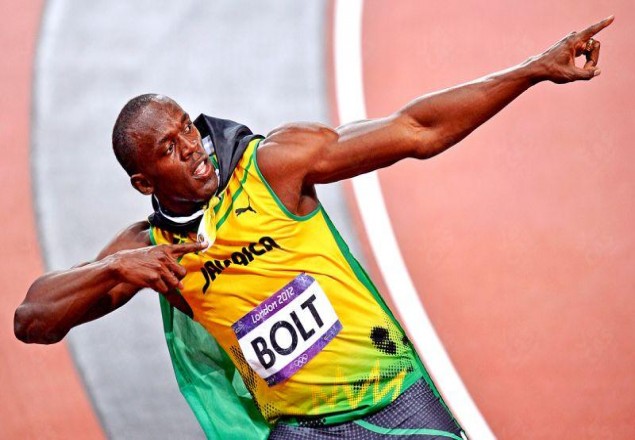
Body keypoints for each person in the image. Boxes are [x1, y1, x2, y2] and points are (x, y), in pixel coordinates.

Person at [15, 16, 612, 439]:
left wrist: (533, 70)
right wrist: (115, 268)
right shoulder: (152, 251)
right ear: (144, 182)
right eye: (169, 149)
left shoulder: (273, 167)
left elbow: (415, 130)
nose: (192, 148)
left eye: (187, 129)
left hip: (393, 397)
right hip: (298, 430)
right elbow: (32, 319)